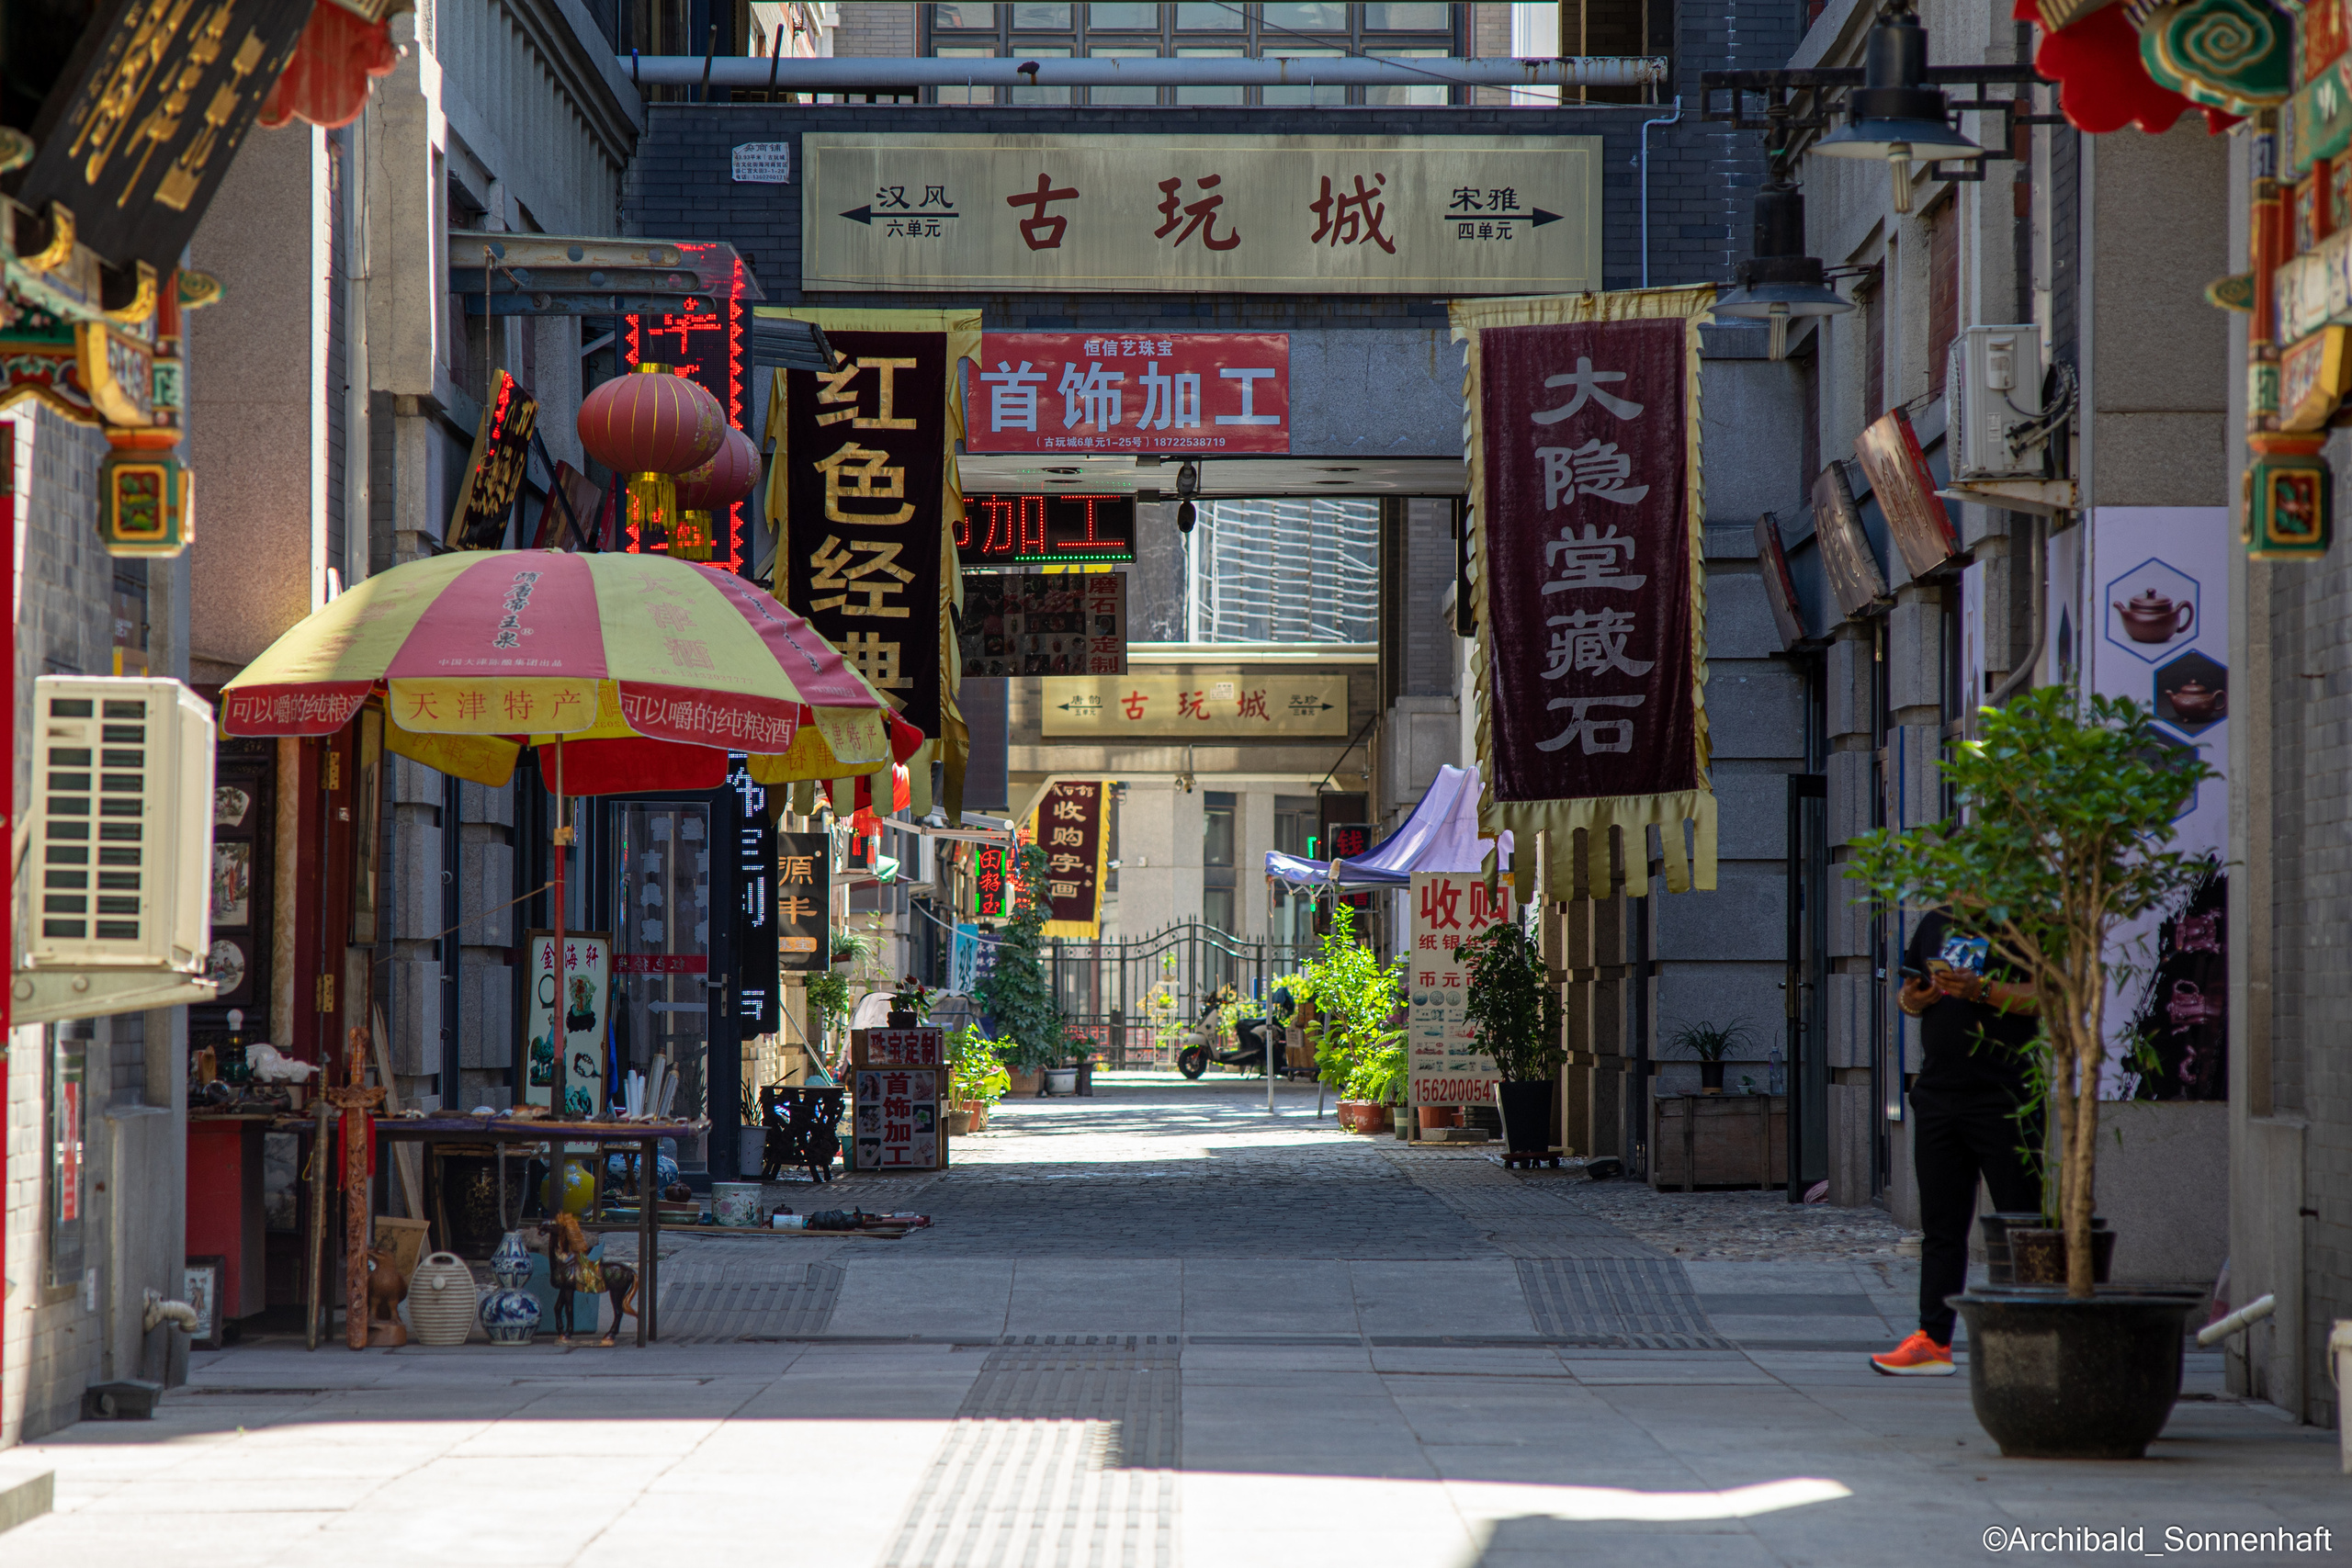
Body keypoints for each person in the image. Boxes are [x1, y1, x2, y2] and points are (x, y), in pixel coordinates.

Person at [1870, 906, 2043, 1377]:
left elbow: (2046, 997)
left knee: (2020, 1224)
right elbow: (1908, 1000)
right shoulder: (1934, 922)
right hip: (1938, 1095)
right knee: (1941, 1229)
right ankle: (1933, 1340)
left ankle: (2030, 1339)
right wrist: (1915, 999)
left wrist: (1983, 989)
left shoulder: (2023, 923)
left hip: (2006, 1096)